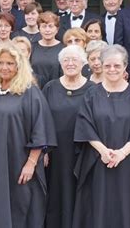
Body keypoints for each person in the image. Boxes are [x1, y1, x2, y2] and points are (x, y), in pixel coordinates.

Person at [0, 42, 57, 227]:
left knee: (17, 209)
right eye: (1, 63)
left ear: (19, 66)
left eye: (10, 63)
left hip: (17, 165)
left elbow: (40, 131)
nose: (5, 67)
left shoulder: (30, 93)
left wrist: (31, 164)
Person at [72, 45, 130, 228]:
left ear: (125, 66)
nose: (112, 70)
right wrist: (103, 151)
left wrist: (122, 153)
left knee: (126, 207)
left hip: (128, 163)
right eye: (107, 65)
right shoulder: (92, 93)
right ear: (101, 66)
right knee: (98, 208)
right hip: (97, 161)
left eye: (117, 66)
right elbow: (85, 124)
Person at [43, 45, 94, 228]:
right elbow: (42, 120)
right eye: (66, 60)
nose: (70, 63)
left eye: (74, 59)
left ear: (83, 63)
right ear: (60, 63)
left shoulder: (93, 89)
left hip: (83, 152)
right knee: (56, 195)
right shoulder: (50, 87)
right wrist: (44, 149)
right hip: (55, 153)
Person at [30, 11, 63, 88]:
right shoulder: (32, 47)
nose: (47, 30)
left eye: (51, 26)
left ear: (57, 29)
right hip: (35, 90)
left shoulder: (64, 49)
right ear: (39, 29)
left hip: (56, 90)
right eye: (44, 26)